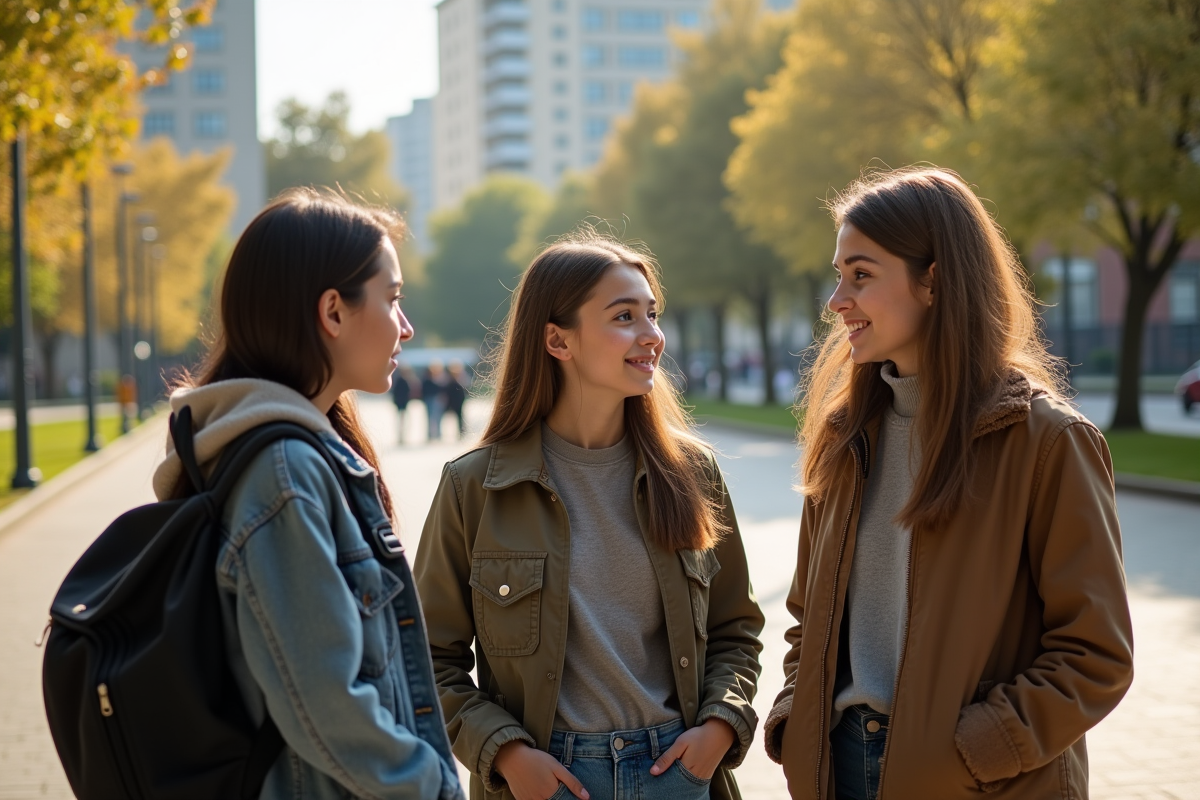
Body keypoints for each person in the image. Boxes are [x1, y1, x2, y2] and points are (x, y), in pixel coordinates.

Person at [763, 168, 1134, 799]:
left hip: (979, 781)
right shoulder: (845, 436)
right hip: (840, 771)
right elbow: (808, 616)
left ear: (933, 280)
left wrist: (975, 749)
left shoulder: (1045, 442)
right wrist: (796, 716)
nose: (836, 301)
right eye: (838, 276)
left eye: (861, 274)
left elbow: (1095, 653)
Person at [414, 234, 765, 800]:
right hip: (548, 780)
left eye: (652, 314)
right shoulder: (474, 487)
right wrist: (506, 753)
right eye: (624, 316)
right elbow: (428, 657)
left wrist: (720, 728)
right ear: (557, 340)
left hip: (679, 773)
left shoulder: (692, 473)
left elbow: (736, 629)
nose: (651, 335)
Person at [150, 188, 463, 800]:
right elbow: (326, 703)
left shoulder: (285, 454)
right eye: (392, 299)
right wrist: (434, 789)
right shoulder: (285, 472)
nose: (406, 325)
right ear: (333, 312)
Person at [392, 364, 418, 443]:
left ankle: (402, 436)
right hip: (402, 404)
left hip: (402, 404)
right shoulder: (402, 381)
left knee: (402, 421)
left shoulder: (401, 380)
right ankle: (401, 436)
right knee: (402, 421)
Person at [444, 359, 470, 439]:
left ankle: (461, 432)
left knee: (460, 417)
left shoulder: (461, 378)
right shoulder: (450, 380)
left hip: (459, 400)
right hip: (453, 400)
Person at [422, 361, 448, 442]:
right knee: (430, 417)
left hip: (437, 400)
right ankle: (430, 434)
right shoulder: (427, 378)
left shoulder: (441, 378)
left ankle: (438, 434)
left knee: (438, 417)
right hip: (429, 399)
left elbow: (444, 390)